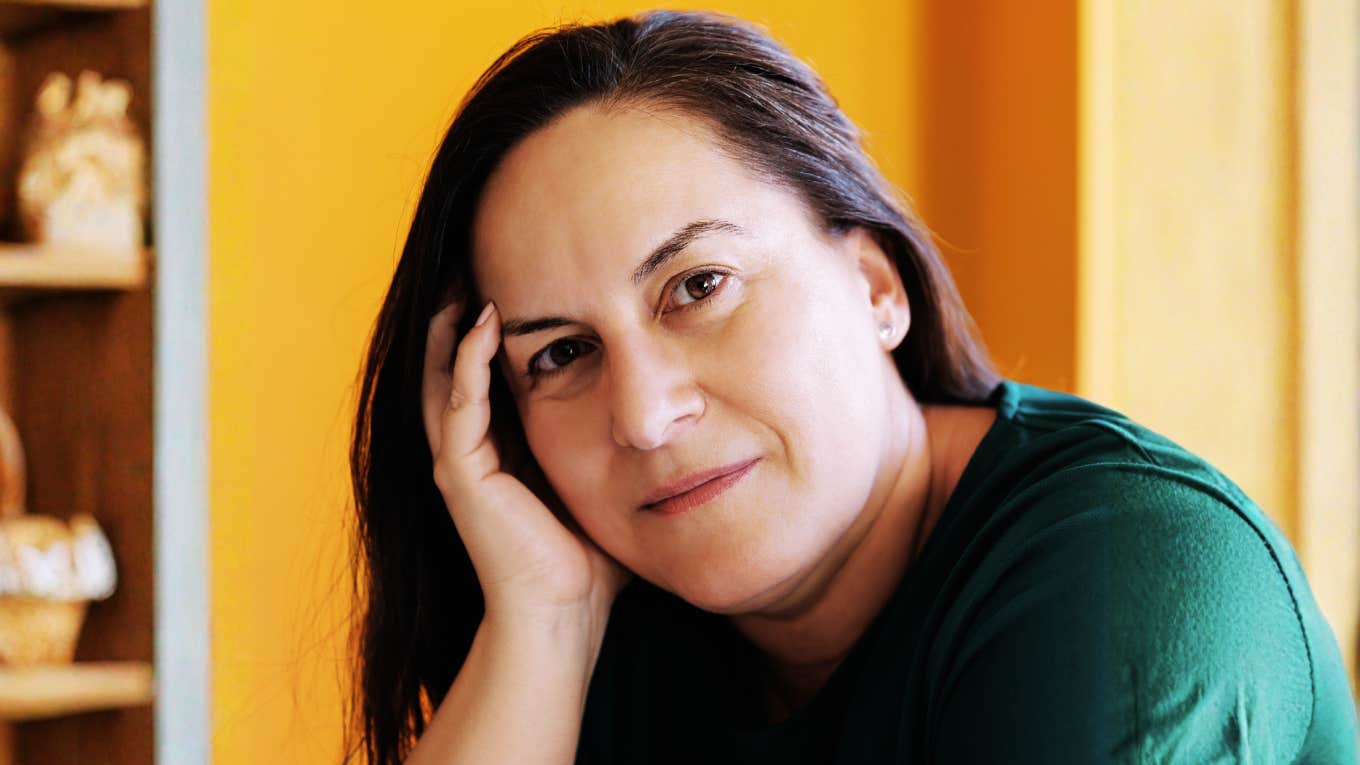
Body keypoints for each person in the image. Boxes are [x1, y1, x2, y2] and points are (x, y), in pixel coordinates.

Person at [346, 10, 1359, 764]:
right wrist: (543, 622)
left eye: (698, 286)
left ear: (876, 287)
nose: (645, 416)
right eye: (562, 353)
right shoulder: (620, 630)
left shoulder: (1128, 575)